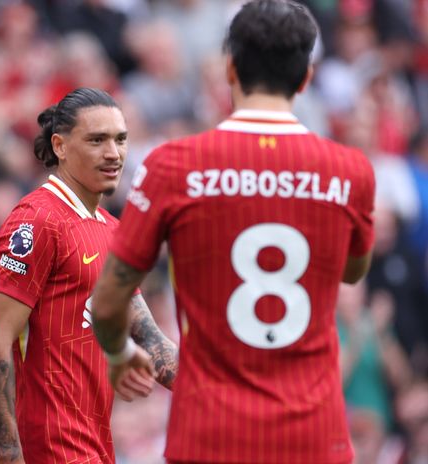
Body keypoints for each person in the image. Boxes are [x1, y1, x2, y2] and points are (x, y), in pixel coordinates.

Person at [90, 1, 376, 463]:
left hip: (210, 435)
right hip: (314, 437)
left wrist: (120, 353)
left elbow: (107, 303)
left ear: (230, 68)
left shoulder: (173, 166)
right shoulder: (351, 171)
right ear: (305, 78)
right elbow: (352, 272)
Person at [0, 87, 178, 464]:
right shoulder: (36, 221)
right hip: (51, 444)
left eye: (120, 140)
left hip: (96, 443)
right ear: (60, 146)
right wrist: (9, 452)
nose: (113, 153)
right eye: (97, 140)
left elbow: (153, 340)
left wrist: (230, 401)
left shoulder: (112, 228)